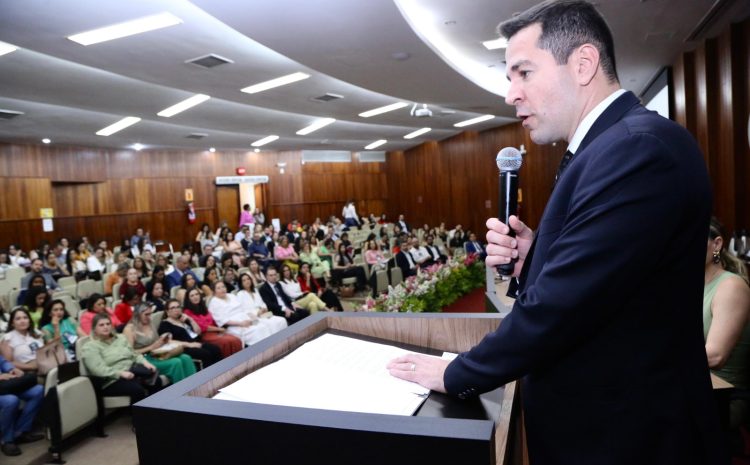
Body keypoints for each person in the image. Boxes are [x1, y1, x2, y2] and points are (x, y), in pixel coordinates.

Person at [388, 2, 726, 464]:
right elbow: (610, 276)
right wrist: (535, 256)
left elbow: (562, 306)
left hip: (630, 437)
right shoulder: (612, 146)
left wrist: (456, 374)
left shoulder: (635, 149)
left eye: (523, 73)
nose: (511, 94)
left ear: (583, 64)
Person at [704, 217, 750, 429]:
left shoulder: (731, 285)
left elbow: (715, 356)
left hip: (725, 397)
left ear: (717, 244)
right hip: (692, 389)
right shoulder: (685, 288)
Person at [81, 313, 161, 405]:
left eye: (108, 324)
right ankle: (141, 417)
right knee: (137, 389)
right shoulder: (90, 347)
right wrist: (120, 373)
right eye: (101, 325)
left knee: (155, 380)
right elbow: (98, 369)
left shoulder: (120, 338)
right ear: (94, 328)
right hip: (111, 380)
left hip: (131, 371)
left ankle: (156, 410)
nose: (106, 327)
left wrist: (145, 362)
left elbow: (134, 354)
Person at [123, 303, 196, 384]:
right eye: (146, 314)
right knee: (176, 363)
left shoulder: (150, 323)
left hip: (156, 354)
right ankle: (182, 391)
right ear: (137, 314)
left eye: (150, 314)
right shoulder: (129, 329)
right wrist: (150, 347)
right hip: (143, 359)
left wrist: (163, 339)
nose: (149, 317)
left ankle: (194, 386)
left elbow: (156, 342)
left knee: (186, 358)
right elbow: (129, 353)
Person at [0, 354, 44, 456]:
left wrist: (12, 369)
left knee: (38, 390)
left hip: (5, 385)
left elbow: (3, 362)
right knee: (11, 401)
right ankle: (7, 440)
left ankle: (20, 432)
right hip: (3, 384)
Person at [158, 299, 221, 368]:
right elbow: (168, 341)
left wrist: (191, 320)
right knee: (206, 354)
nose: (176, 309)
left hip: (196, 343)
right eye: (173, 308)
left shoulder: (184, 320)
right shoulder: (165, 324)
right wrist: (190, 344)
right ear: (167, 311)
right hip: (183, 348)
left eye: (178, 307)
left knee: (215, 349)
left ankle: (221, 373)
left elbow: (198, 332)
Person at [207, 281, 275, 346]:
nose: (222, 289)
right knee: (256, 331)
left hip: (245, 318)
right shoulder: (214, 302)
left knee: (263, 326)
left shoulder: (231, 296)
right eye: (218, 288)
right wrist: (241, 323)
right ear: (214, 291)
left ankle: (273, 346)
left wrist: (252, 316)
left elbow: (243, 309)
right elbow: (223, 320)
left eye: (223, 287)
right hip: (233, 325)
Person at [182, 288, 242, 358]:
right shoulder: (187, 311)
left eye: (196, 294)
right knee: (228, 341)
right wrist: (219, 329)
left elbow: (213, 320)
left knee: (236, 340)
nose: (195, 297)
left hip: (215, 332)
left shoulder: (203, 307)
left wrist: (220, 329)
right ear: (188, 299)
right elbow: (202, 327)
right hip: (204, 335)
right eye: (192, 296)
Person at [0, 309, 44, 373]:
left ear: (29, 320)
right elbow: (7, 363)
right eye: (18, 319)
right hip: (27, 371)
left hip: (45, 365)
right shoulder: (7, 338)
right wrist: (30, 367)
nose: (22, 321)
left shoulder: (35, 332)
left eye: (25, 318)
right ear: (12, 323)